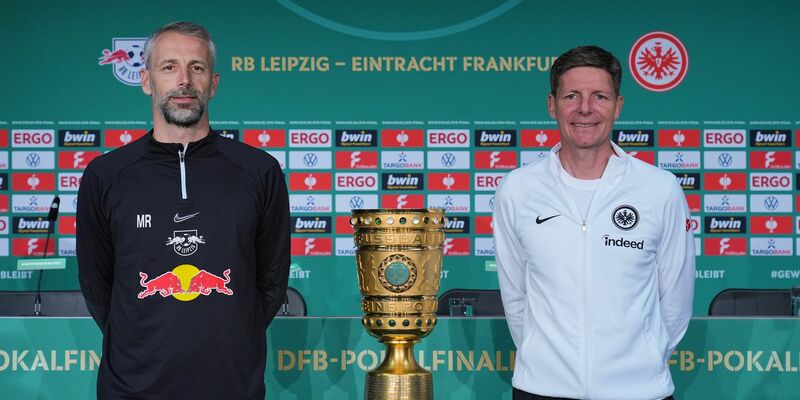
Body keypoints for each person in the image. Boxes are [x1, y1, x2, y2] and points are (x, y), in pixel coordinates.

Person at [77, 21, 290, 399]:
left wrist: (234, 335)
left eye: (197, 67)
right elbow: (97, 286)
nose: (184, 81)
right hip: (131, 388)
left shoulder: (259, 172)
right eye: (169, 66)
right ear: (146, 81)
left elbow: (271, 281)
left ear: (214, 83)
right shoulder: (106, 175)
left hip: (231, 386)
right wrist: (140, 339)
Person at [493, 46, 695, 400]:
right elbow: (515, 296)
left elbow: (676, 299)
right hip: (541, 390)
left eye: (599, 96)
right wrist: (546, 363)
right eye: (572, 95)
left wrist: (645, 359)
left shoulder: (660, 189)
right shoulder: (518, 189)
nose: (585, 108)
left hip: (639, 392)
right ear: (552, 105)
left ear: (617, 106)